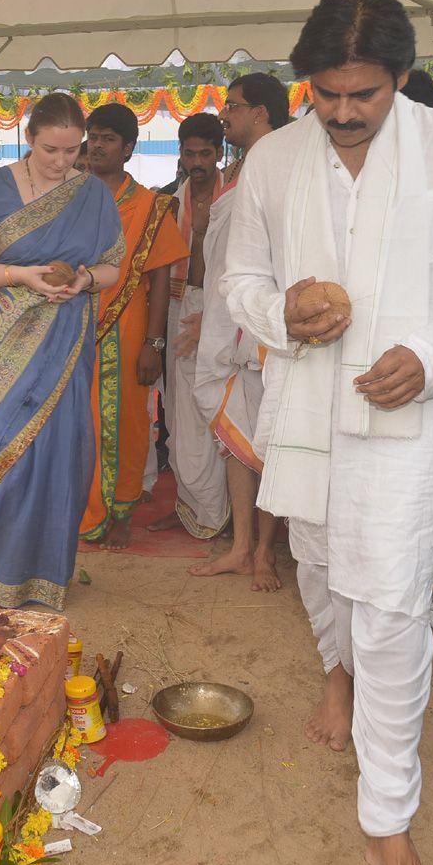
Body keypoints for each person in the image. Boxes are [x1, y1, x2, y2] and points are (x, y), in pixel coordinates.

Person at [221, 0, 433, 865]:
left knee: (393, 604)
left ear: (402, 77)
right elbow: (241, 274)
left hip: (412, 420)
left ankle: (386, 815)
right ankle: (337, 676)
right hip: (306, 409)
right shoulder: (276, 159)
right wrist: (278, 310)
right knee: (319, 569)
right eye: (328, 94)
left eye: (364, 94)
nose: (345, 113)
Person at [0, 93, 124, 609]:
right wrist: (21, 276)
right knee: (13, 459)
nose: (63, 162)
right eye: (51, 150)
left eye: (73, 151)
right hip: (3, 343)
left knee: (62, 454)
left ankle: (44, 576)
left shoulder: (92, 195)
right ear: (29, 140)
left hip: (66, 340)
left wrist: (86, 277)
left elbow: (114, 266)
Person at [190, 73, 290, 590]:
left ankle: (267, 554)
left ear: (262, 113)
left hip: (264, 329)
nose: (224, 114)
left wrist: (254, 325)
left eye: (233, 106)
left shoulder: (285, 162)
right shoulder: (240, 169)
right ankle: (242, 547)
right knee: (233, 438)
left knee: (268, 440)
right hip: (225, 321)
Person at [80, 103, 189, 549]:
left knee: (128, 424)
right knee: (78, 424)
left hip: (127, 331)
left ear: (128, 148)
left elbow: (160, 277)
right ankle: (81, 512)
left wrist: (154, 343)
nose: (97, 145)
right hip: (72, 329)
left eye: (108, 138)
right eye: (93, 136)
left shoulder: (150, 205)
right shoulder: (70, 196)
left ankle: (121, 513)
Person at [150, 112, 225, 536]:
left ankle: (218, 514)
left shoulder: (232, 197)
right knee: (177, 417)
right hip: (178, 309)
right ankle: (188, 509)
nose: (197, 161)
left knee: (208, 411)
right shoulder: (169, 201)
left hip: (218, 311)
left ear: (218, 154)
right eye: (189, 152)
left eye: (205, 154)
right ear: (180, 153)